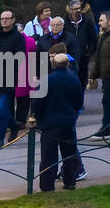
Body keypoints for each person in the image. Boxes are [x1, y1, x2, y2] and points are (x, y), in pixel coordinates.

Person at [30, 52, 83, 191]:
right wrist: (73, 113)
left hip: (50, 123)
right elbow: (79, 101)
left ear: (53, 64)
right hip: (68, 122)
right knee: (69, 154)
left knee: (48, 156)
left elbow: (37, 102)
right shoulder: (74, 79)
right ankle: (70, 181)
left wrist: (38, 117)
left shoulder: (47, 80)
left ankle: (47, 186)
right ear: (67, 64)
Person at [0, 9, 26, 148]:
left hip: (8, 77)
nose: (4, 21)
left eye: (7, 18)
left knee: (3, 107)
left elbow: (21, 57)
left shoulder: (18, 37)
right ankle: (14, 125)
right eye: (2, 18)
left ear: (13, 20)